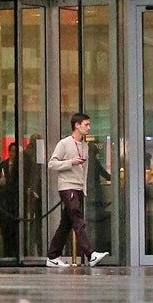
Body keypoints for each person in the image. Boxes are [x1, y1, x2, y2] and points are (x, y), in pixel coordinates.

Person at [45, 113, 109, 268]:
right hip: (68, 187)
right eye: (86, 124)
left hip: (78, 188)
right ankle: (90, 253)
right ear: (77, 125)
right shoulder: (64, 143)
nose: (89, 128)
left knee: (66, 224)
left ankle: (53, 256)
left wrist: (84, 189)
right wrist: (70, 162)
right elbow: (52, 164)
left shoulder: (85, 146)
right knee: (78, 220)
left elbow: (85, 171)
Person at [0, 142, 19, 258]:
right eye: (12, 151)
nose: (14, 154)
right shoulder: (3, 165)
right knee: (5, 231)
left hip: (15, 203)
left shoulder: (20, 166)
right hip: (4, 203)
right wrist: (0, 182)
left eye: (16, 151)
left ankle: (15, 254)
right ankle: (6, 254)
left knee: (15, 231)